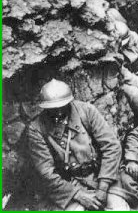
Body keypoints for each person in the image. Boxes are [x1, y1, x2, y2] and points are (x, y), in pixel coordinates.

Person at [27, 79, 122, 211]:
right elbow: (46, 173)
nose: (59, 112)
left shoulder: (86, 111)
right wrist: (77, 194)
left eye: (62, 106)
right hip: (69, 185)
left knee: (119, 207)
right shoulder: (36, 128)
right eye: (53, 109)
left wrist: (103, 187)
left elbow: (112, 146)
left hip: (100, 175)